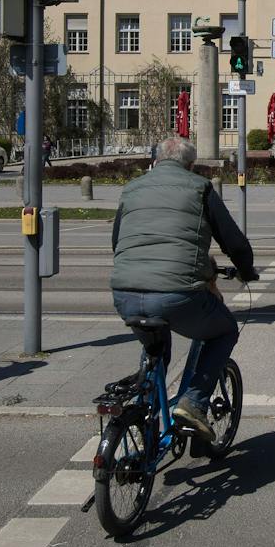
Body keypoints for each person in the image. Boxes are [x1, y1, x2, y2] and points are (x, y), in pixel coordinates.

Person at [110, 135, 257, 437]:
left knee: (155, 349)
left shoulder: (131, 189)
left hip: (124, 293)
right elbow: (234, 242)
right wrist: (247, 271)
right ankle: (194, 401)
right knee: (225, 330)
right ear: (191, 165)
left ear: (155, 161)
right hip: (176, 295)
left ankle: (146, 416)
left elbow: (117, 243)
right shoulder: (199, 187)